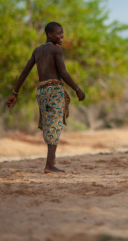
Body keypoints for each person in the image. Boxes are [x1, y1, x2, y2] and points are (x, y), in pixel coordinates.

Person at [6, 22, 86, 173]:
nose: (62, 36)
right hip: (54, 90)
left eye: (62, 33)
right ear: (50, 34)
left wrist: (14, 93)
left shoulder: (37, 51)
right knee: (54, 125)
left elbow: (24, 72)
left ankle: (51, 160)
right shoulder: (56, 49)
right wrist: (77, 89)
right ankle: (49, 165)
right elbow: (63, 72)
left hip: (41, 91)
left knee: (49, 124)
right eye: (59, 33)